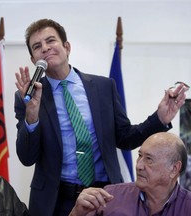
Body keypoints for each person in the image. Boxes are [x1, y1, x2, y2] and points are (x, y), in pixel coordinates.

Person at [14, 18, 189, 216]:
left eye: (50, 41)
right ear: (33, 59)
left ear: (66, 47)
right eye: (37, 46)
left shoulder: (103, 87)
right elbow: (27, 157)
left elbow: (125, 137)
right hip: (56, 200)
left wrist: (160, 118)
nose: (45, 48)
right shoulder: (28, 98)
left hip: (106, 195)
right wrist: (32, 114)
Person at [69, 132, 191, 216]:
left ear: (174, 169)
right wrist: (76, 213)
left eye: (149, 159)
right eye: (139, 156)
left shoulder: (187, 206)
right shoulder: (109, 196)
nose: (138, 166)